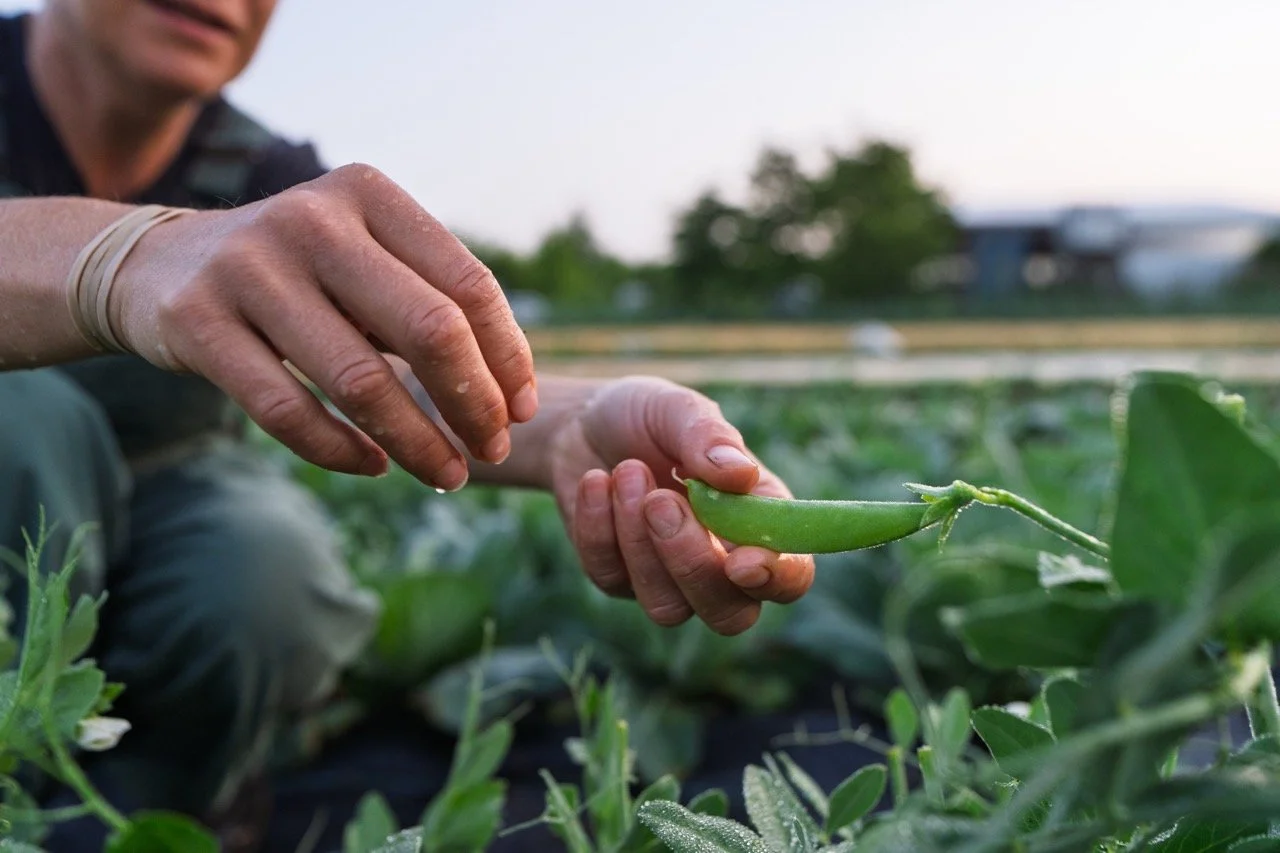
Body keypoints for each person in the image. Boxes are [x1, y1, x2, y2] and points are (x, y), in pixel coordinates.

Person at [0, 0, 817, 848]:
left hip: (170, 481)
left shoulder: (260, 166)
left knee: (260, 568)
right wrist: (120, 255)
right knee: (26, 422)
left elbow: (381, 368)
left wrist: (579, 420)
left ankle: (151, 815)